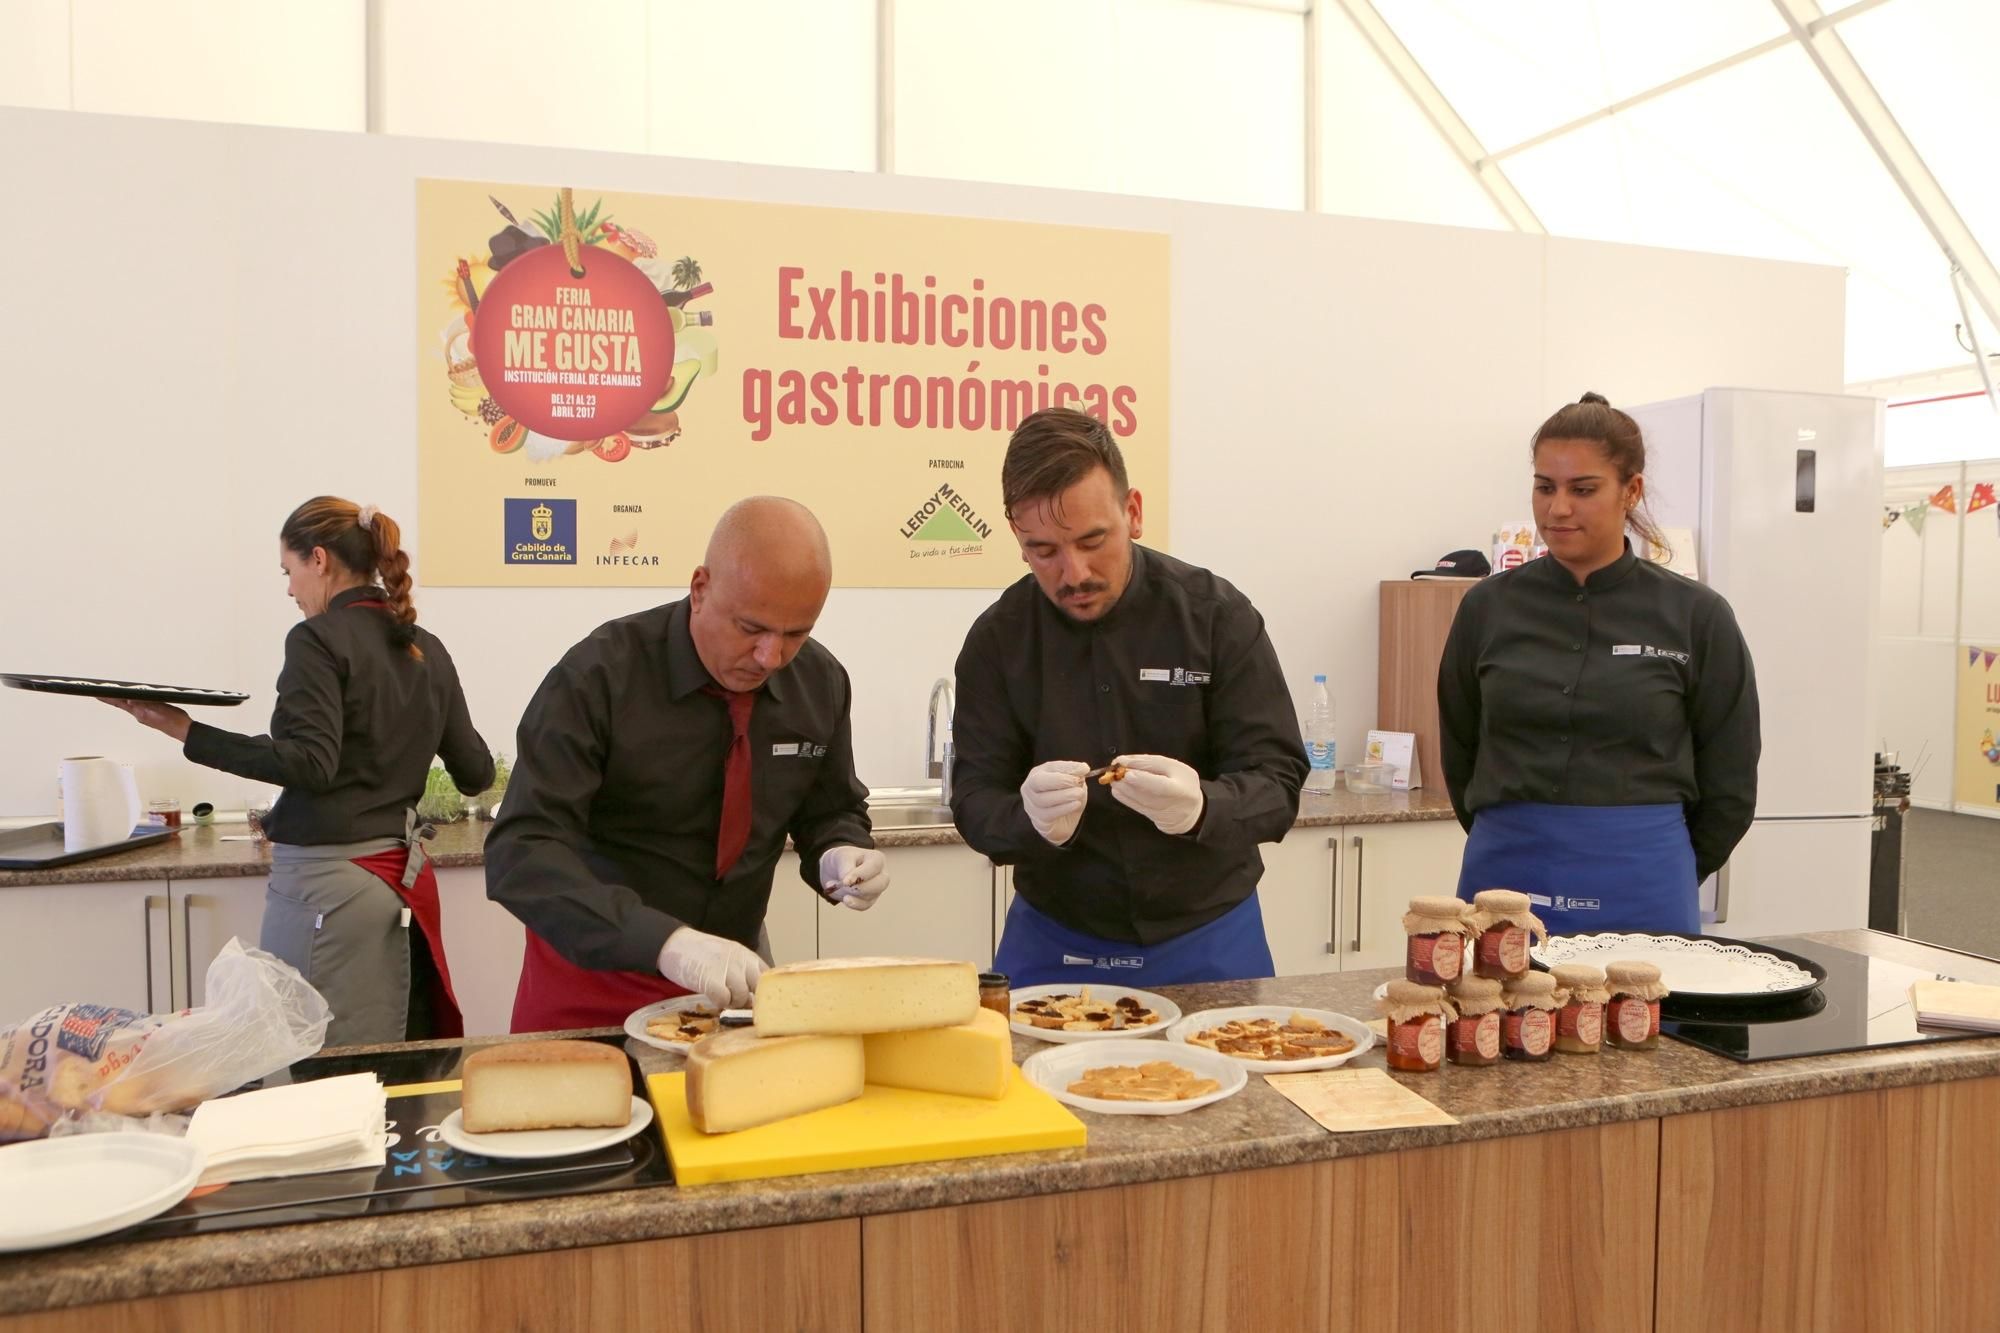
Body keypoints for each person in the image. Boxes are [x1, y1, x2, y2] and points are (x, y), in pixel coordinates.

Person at [487, 497, 888, 1030]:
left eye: (797, 633)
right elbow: (523, 850)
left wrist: (840, 848)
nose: (772, 657)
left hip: (731, 979)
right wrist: (665, 942)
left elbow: (829, 808)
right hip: (593, 978)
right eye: (752, 628)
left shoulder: (820, 684)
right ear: (701, 589)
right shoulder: (600, 677)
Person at [106, 497, 492, 1045]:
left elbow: (309, 763)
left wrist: (183, 730)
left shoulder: (315, 639)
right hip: (398, 886)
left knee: (316, 1062)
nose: (290, 590)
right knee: (393, 1058)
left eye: (289, 572)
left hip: (328, 890)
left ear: (319, 559)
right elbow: (475, 772)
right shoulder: (426, 648)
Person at [949, 408, 1308, 987]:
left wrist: (1204, 808)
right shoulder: (998, 641)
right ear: (1017, 536)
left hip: (1209, 935)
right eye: (1044, 550)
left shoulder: (1216, 617)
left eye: (1094, 540)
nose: (1074, 572)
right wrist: (1026, 820)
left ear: (1133, 512)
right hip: (1055, 936)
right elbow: (972, 802)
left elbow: (1279, 781)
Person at [1437, 392, 1761, 934]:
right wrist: (1507, 826)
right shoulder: (1486, 608)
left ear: (1630, 490)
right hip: (1506, 874)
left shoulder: (1696, 616)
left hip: (1644, 878)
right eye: (1545, 487)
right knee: (1500, 1017)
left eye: (1583, 489)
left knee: (1647, 1020)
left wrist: (1671, 864)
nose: (1558, 508)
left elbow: (1730, 777)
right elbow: (1460, 746)